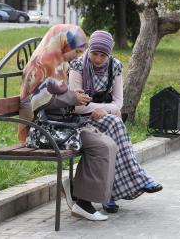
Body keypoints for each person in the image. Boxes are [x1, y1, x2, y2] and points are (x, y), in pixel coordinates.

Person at [18, 24, 118, 221]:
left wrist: (74, 96)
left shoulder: (58, 63)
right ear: (64, 43)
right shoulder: (42, 64)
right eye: (77, 51)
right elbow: (36, 103)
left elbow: (56, 95)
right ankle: (83, 203)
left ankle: (79, 195)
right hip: (42, 130)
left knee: (108, 144)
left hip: (60, 125)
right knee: (101, 146)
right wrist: (73, 98)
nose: (77, 56)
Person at [69, 30, 163, 214]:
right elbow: (77, 106)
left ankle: (110, 193)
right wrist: (106, 109)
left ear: (109, 54)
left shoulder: (115, 66)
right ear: (90, 50)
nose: (98, 59)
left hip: (104, 116)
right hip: (80, 120)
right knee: (115, 124)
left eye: (103, 55)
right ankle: (135, 180)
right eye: (95, 53)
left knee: (113, 126)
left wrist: (105, 110)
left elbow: (119, 101)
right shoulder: (77, 66)